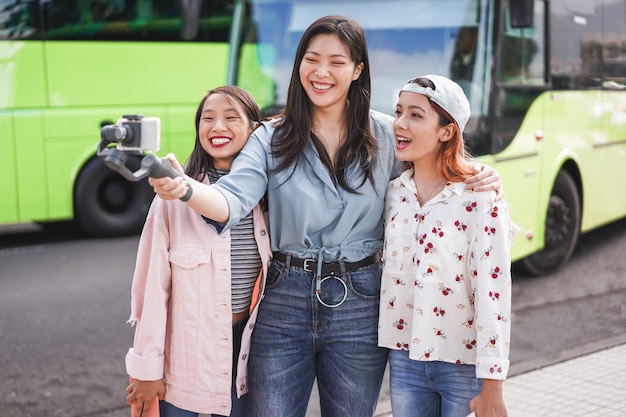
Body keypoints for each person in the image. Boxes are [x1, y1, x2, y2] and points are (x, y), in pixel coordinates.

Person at [147, 15, 502, 417]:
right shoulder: (270, 136)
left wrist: (481, 172)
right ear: (298, 65)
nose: (321, 72)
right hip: (284, 298)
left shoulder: (387, 135)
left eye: (336, 61)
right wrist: (185, 188)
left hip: (362, 300)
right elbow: (230, 201)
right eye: (312, 59)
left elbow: (440, 167)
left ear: (357, 70)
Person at [124, 86, 272, 417]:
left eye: (231, 118)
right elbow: (153, 290)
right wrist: (147, 370)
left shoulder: (269, 200)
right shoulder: (172, 199)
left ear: (255, 129)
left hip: (247, 350)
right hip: (185, 355)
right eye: (208, 118)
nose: (217, 127)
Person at [378, 75, 512, 417]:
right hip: (405, 360)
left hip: (464, 367)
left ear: (447, 131)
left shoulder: (479, 198)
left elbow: (492, 290)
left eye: (416, 115)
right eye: (398, 112)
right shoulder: (393, 195)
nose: (400, 124)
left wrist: (493, 384)